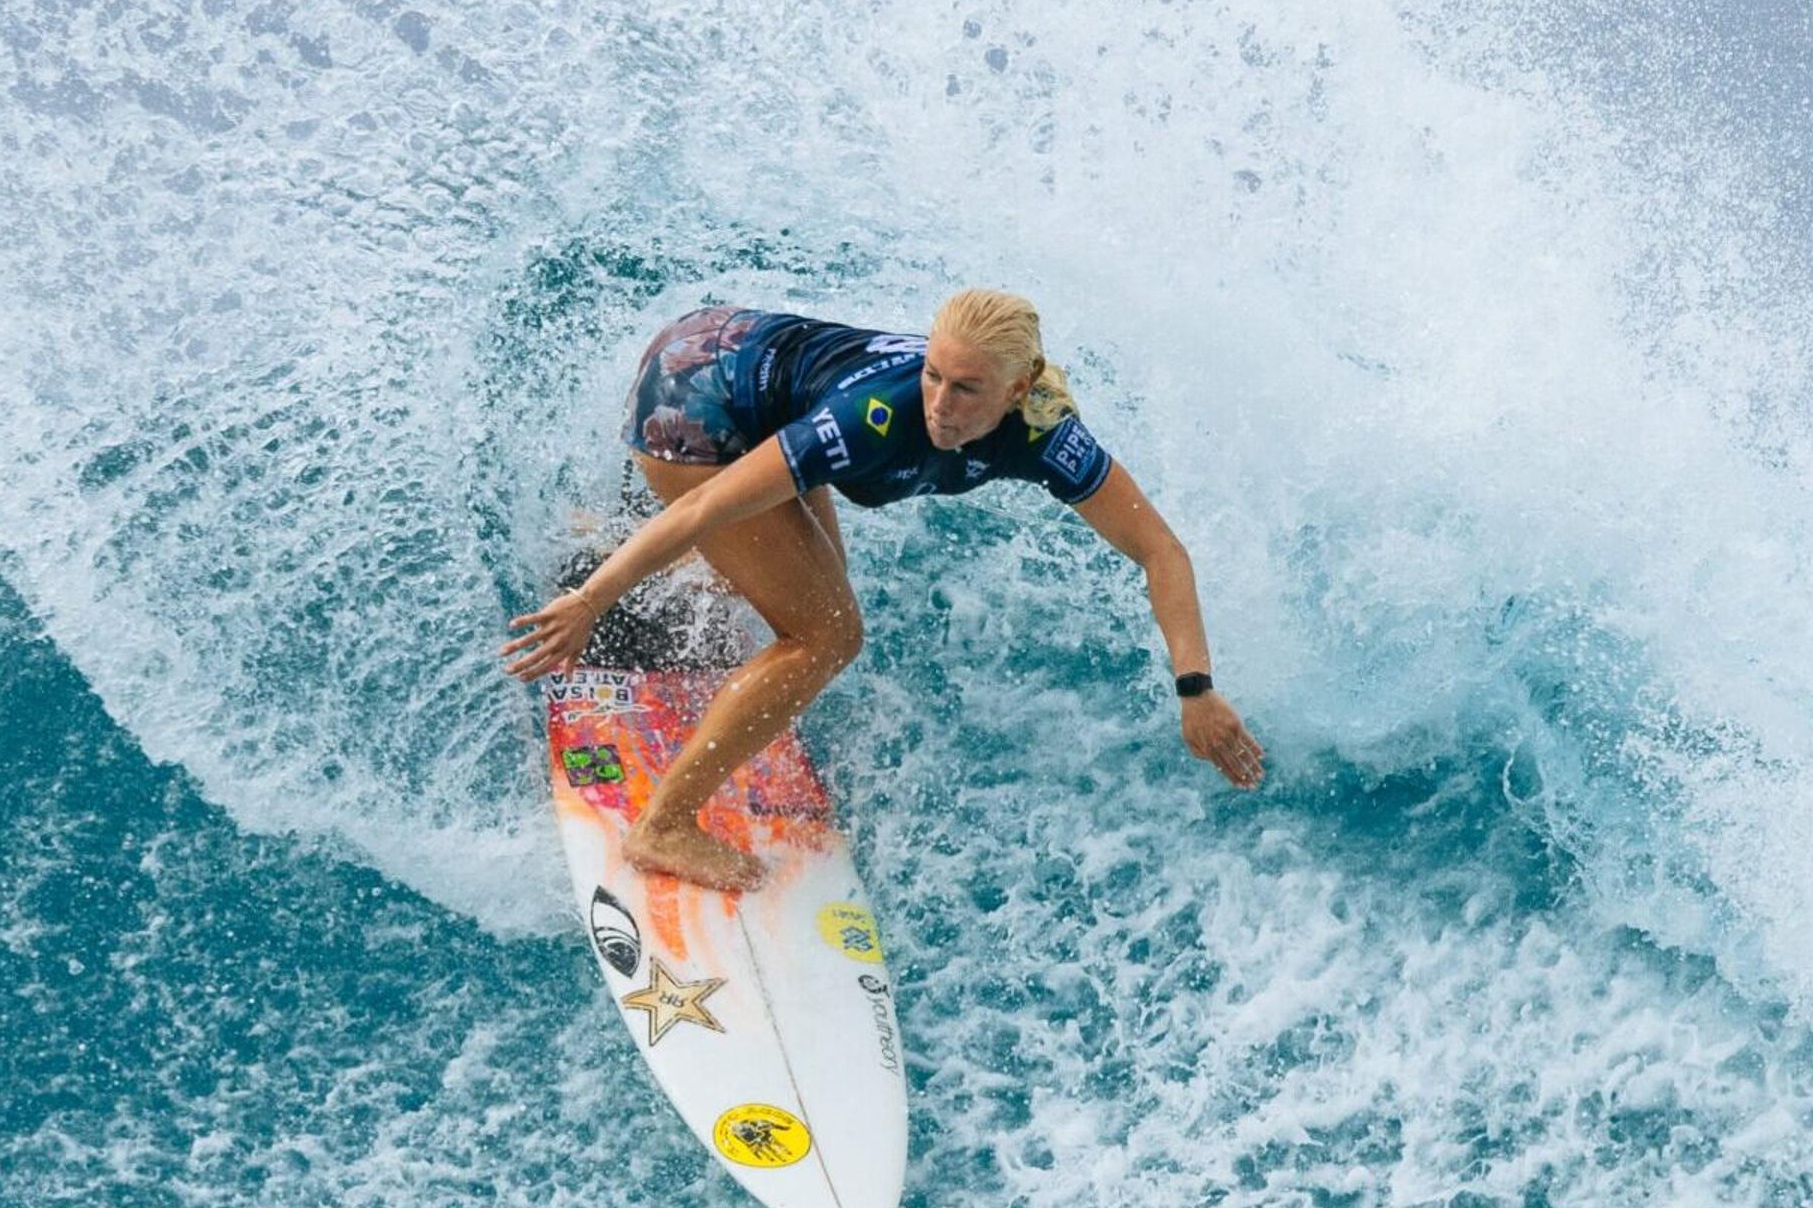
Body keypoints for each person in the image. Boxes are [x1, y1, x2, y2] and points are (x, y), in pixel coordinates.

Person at [502, 289, 1265, 891]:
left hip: (746, 365)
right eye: (934, 374)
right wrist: (594, 601)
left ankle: (647, 555)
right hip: (695, 396)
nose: (941, 403)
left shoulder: (1044, 432)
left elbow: (1161, 551)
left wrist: (1195, 688)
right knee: (829, 635)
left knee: (811, 591)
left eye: (967, 389)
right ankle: (664, 824)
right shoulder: (875, 418)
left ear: (1019, 388)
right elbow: (710, 500)